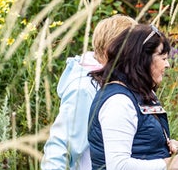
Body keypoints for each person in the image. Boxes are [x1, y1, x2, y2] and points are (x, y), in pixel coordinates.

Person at [88, 24, 178, 170]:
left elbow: (139, 141)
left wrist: (166, 143)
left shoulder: (138, 92)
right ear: (142, 59)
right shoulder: (118, 102)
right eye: (163, 58)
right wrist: (167, 163)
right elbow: (118, 165)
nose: (167, 65)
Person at [41, 14, 137, 170]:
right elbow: (60, 146)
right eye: (133, 49)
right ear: (111, 50)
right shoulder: (85, 89)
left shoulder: (115, 80)